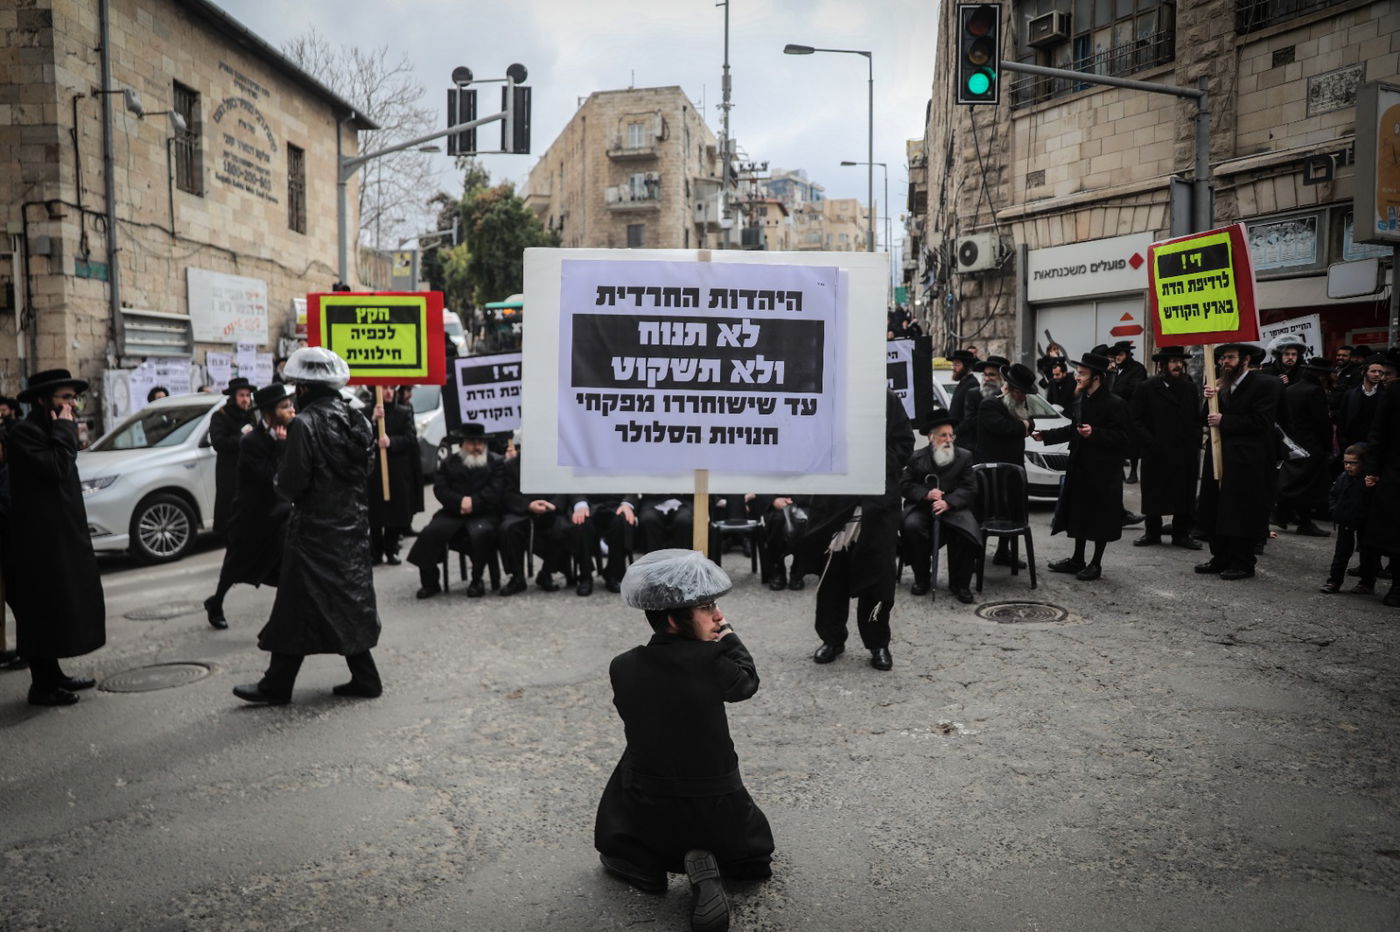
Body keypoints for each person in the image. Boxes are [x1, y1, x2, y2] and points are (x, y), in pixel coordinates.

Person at [595, 549, 773, 932]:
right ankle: (710, 866)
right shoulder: (713, 663)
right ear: (675, 620)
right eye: (708, 607)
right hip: (720, 814)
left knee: (636, 756)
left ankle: (646, 867)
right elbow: (747, 682)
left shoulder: (622, 666)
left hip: (653, 812)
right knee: (752, 866)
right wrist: (727, 638)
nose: (719, 615)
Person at [233, 347, 382, 704]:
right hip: (352, 531)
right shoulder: (357, 419)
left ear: (304, 388)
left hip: (314, 535)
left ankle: (277, 686)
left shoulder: (304, 424)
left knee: (293, 608)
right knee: (339, 606)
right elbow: (368, 471)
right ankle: (360, 678)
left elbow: (291, 485)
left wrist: (279, 480)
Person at [4, 369, 106, 705]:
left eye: (73, 398)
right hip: (37, 541)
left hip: (62, 534)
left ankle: (54, 674)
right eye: (65, 398)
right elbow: (56, 468)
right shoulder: (24, 433)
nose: (72, 405)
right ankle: (42, 687)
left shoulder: (51, 429)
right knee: (40, 611)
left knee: (62, 607)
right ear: (42, 399)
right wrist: (65, 430)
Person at [801, 391, 913, 671]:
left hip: (878, 508)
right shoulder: (829, 397)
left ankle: (878, 644)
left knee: (878, 581)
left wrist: (871, 459)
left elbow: (904, 444)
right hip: (834, 505)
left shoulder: (887, 398)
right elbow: (810, 440)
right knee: (831, 580)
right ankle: (832, 639)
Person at [203, 384, 296, 629]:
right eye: (284, 407)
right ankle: (216, 603)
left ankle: (280, 621)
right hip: (251, 517)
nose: (291, 411)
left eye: (290, 406)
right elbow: (273, 476)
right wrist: (281, 446)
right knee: (234, 566)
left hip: (280, 515)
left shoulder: (290, 433)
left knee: (288, 568)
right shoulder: (252, 441)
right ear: (269, 412)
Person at [1036, 353, 1131, 581]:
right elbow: (1073, 429)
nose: (1077, 377)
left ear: (1096, 378)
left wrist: (1095, 434)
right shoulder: (1080, 399)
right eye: (1078, 372)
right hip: (1080, 467)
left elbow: (1125, 438)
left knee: (1100, 519)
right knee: (1078, 514)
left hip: (1104, 472)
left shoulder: (1115, 404)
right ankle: (1077, 559)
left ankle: (1095, 564)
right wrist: (1046, 436)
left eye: (1082, 373)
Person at [1194, 342, 1280, 581]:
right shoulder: (1221, 385)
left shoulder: (1266, 384)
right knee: (1214, 508)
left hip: (1247, 460)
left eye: (1230, 358)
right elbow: (1205, 419)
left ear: (1245, 360)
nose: (1224, 362)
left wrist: (1225, 420)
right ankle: (1219, 557)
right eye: (1222, 358)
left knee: (1240, 511)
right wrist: (1208, 400)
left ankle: (1242, 562)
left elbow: (1262, 422)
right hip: (1218, 456)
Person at [407, 423, 502, 598]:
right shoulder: (449, 463)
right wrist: (459, 502)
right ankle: (430, 582)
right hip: (453, 512)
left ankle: (477, 580)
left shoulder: (495, 462)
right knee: (429, 534)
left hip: (483, 512)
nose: (478, 447)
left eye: (481, 443)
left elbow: (495, 490)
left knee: (481, 534)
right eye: (473, 443)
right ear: (462, 444)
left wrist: (474, 502)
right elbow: (440, 489)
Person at [899, 407, 979, 603]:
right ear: (931, 438)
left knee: (967, 531)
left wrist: (949, 502)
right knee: (911, 527)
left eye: (951, 435)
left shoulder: (965, 456)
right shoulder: (916, 457)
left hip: (953, 508)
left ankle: (960, 584)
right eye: (943, 435)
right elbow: (904, 484)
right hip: (923, 508)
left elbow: (970, 488)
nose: (949, 440)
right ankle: (922, 578)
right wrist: (925, 494)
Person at [1129, 346, 1203, 549]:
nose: (1177, 365)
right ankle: (1152, 532)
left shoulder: (1189, 388)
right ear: (1162, 364)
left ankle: (1182, 534)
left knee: (1183, 494)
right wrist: (1150, 442)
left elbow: (1197, 419)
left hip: (1184, 452)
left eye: (1180, 361)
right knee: (1154, 492)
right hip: (1156, 451)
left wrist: (1195, 440)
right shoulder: (1146, 387)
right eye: (1173, 361)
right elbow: (1135, 420)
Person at [974, 361, 1035, 570]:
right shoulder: (990, 405)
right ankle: (975, 555)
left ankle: (1003, 551)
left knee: (1013, 512)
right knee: (984, 514)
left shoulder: (1018, 405)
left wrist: (1024, 425)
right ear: (1009, 389)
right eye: (1020, 393)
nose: (1023, 397)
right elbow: (1003, 427)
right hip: (990, 475)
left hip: (1014, 473)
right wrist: (1022, 425)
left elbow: (1030, 422)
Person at [497, 439, 569, 595]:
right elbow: (507, 494)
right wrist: (528, 506)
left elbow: (564, 486)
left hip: (549, 509)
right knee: (508, 528)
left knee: (563, 529)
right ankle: (517, 577)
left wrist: (553, 505)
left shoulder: (556, 462)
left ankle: (546, 573)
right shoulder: (511, 466)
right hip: (523, 511)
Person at [1274, 357, 1333, 536]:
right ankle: (1301, 520)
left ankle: (1283, 512)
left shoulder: (1292, 389)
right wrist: (1328, 446)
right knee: (1307, 484)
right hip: (1311, 444)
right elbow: (1322, 422)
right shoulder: (1314, 391)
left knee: (1294, 480)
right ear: (1322, 375)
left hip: (1293, 442)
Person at [366, 385, 421, 565]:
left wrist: (392, 442)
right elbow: (358, 438)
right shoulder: (366, 412)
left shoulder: (404, 412)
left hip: (397, 470)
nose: (388, 392)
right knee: (375, 513)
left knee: (395, 511)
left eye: (391, 388)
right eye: (384, 389)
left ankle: (391, 550)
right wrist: (373, 420)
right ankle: (376, 551)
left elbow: (411, 438)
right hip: (374, 472)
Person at [1321, 444, 1380, 594]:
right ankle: (1334, 581)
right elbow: (1333, 494)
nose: (1348, 466)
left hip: (1364, 522)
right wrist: (1335, 511)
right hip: (1345, 520)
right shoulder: (1342, 478)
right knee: (1341, 552)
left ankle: (1367, 582)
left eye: (1353, 463)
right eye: (1346, 462)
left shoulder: (1368, 481)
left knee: (1367, 553)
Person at [1363, 377, 1400, 606]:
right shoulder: (1395, 392)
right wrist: (1373, 469)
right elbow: (1379, 432)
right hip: (1395, 470)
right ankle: (1397, 584)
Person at [208, 376, 258, 540]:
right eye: (241, 396)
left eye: (247, 395)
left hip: (251, 469)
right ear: (233, 397)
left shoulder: (252, 415)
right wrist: (242, 437)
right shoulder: (220, 416)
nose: (245, 400)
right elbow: (218, 442)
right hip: (230, 472)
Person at [947, 349, 982, 451]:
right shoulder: (963, 383)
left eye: (957, 364)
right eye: (953, 364)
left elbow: (969, 418)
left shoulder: (972, 384)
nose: (953, 368)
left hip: (966, 443)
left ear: (966, 366)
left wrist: (955, 433)